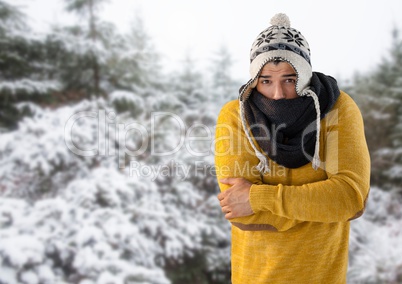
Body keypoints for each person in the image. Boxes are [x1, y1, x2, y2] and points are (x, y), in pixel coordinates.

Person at [214, 13, 370, 283]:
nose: (278, 93)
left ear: (305, 74)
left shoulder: (338, 109)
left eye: (289, 79)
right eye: (266, 80)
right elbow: (241, 214)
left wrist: (258, 198)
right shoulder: (235, 115)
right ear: (254, 80)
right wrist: (321, 205)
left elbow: (350, 199)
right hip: (256, 276)